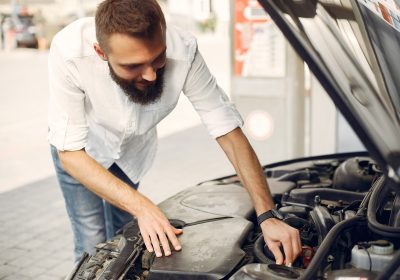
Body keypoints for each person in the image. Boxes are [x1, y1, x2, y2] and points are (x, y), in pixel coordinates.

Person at [48, 0, 301, 266]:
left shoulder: (184, 50)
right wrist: (143, 207)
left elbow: (227, 129)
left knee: (125, 239)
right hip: (82, 153)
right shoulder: (69, 50)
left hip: (130, 155)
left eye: (157, 58)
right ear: (101, 52)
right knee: (92, 240)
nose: (150, 75)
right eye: (133, 65)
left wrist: (266, 214)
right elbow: (71, 153)